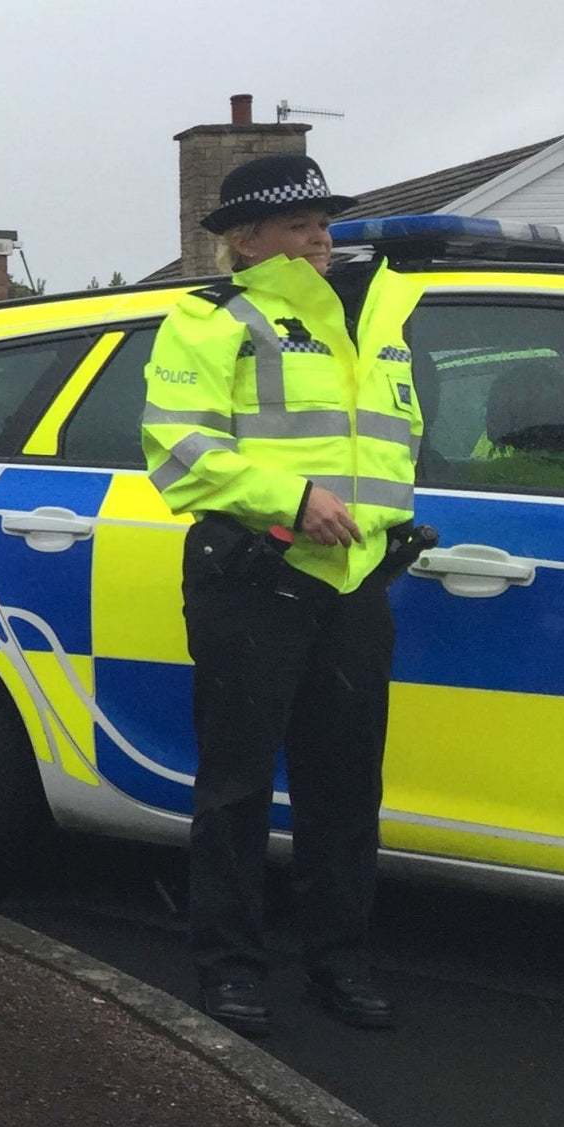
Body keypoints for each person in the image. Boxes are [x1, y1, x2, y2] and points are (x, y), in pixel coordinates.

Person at [141, 153, 423, 1037]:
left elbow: (390, 443)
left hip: (353, 581)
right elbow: (177, 449)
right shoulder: (208, 319)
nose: (321, 241)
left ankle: (339, 963)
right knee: (236, 787)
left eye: (325, 225)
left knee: (346, 787)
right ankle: (230, 968)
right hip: (254, 577)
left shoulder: (377, 316)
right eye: (302, 227)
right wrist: (293, 501)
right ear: (246, 238)